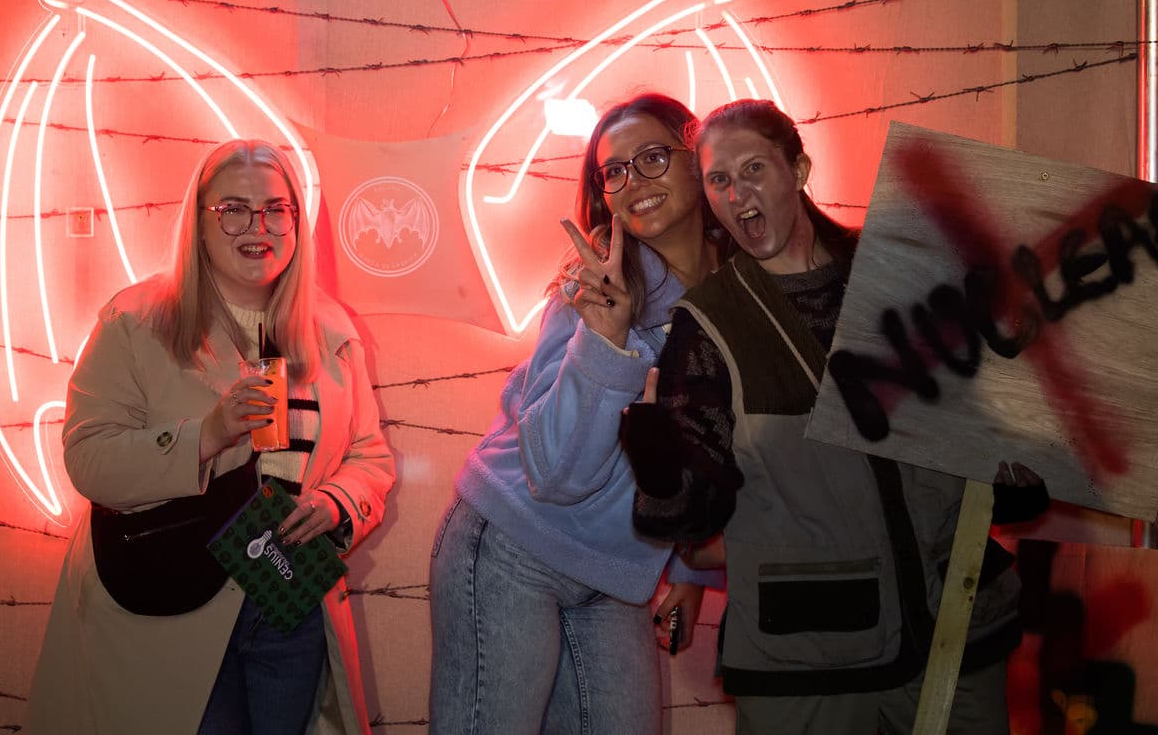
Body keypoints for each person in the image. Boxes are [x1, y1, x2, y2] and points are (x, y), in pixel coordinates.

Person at [622, 99, 1048, 735]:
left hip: (955, 636)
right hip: (806, 661)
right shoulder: (709, 325)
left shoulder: (908, 273)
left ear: (799, 168)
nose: (737, 193)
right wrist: (659, 470)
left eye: (754, 168)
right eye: (718, 179)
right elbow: (695, 515)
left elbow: (1010, 472)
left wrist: (1020, 366)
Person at [25, 139, 395, 735]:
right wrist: (206, 436)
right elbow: (89, 459)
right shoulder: (136, 321)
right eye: (233, 210)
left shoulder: (329, 330)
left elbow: (368, 455)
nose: (259, 226)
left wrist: (336, 502)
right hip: (170, 598)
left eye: (277, 209)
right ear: (198, 222)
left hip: (286, 596)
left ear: (297, 221)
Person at [428, 93, 728, 734]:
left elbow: (707, 452)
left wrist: (684, 565)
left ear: (695, 156)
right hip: (512, 545)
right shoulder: (595, 286)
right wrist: (608, 344)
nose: (632, 183)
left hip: (616, 569)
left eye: (651, 158)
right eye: (613, 171)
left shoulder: (736, 292)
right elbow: (556, 473)